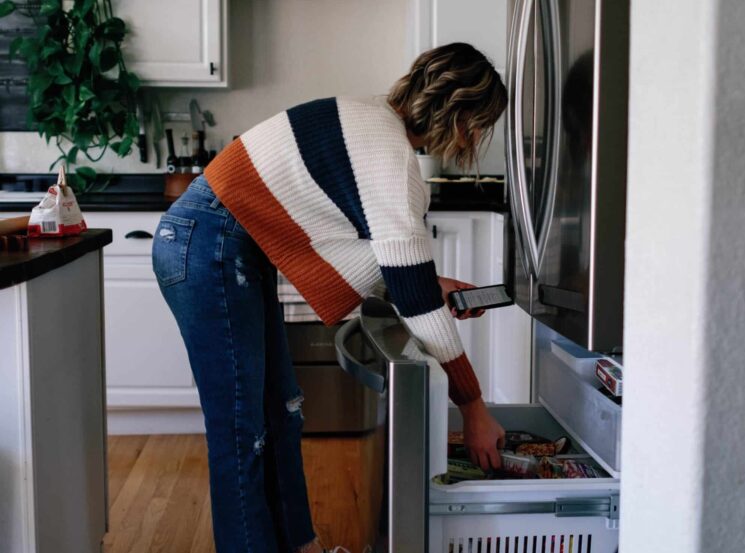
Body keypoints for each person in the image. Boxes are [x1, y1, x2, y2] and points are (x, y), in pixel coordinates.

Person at [152, 42, 508, 553]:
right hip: (206, 243)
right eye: (479, 124)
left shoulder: (367, 117)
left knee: (281, 415)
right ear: (461, 117)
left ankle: (303, 547)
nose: (474, 138)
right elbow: (415, 302)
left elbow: (388, 267)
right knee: (241, 435)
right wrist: (473, 405)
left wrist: (428, 286)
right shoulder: (390, 154)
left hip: (217, 243)